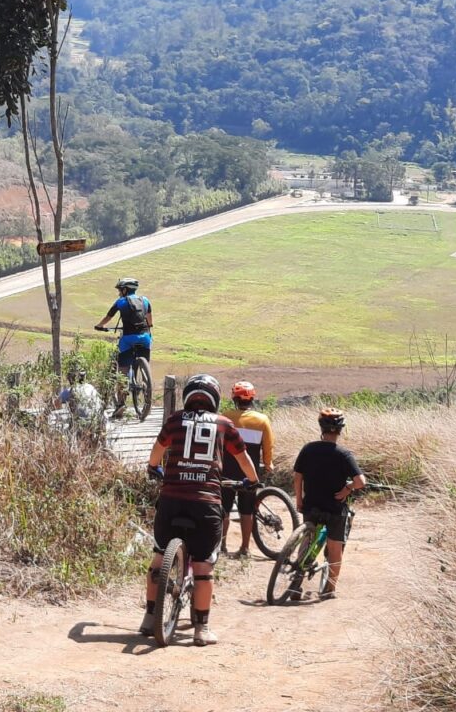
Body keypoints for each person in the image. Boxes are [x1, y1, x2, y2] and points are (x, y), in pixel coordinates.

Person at [141, 374, 259, 646]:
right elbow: (243, 460)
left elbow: (156, 452)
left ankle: (149, 619)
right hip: (206, 503)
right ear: (215, 399)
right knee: (204, 567)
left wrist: (154, 468)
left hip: (171, 500)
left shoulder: (173, 421)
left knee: (159, 560)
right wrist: (252, 482)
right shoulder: (224, 425)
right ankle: (201, 629)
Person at [292, 408, 366, 600]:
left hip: (311, 505)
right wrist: (348, 489)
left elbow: (298, 477)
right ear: (340, 429)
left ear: (321, 427)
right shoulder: (344, 454)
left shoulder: (308, 449)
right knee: (335, 547)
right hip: (335, 507)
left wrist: (299, 499)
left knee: (306, 540)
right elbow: (361, 482)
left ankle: (295, 584)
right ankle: (329, 589)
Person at [221, 380, 275, 556]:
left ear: (234, 398)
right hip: (249, 472)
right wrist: (268, 464)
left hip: (227, 470)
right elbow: (268, 446)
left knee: (224, 509)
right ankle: (245, 548)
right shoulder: (262, 420)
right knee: (246, 510)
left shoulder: (225, 417)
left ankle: (221, 546)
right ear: (252, 398)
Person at [94, 276, 152, 417]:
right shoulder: (145, 300)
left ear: (125, 290)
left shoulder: (120, 302)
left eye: (120, 290)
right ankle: (145, 380)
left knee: (123, 370)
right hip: (145, 338)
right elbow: (150, 321)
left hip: (127, 339)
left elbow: (109, 317)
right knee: (144, 353)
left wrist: (100, 326)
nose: (119, 293)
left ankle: (121, 404)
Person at [53, 365, 105, 440]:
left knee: (66, 429)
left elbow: (55, 404)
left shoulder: (70, 390)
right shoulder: (91, 387)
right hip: (99, 423)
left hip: (83, 424)